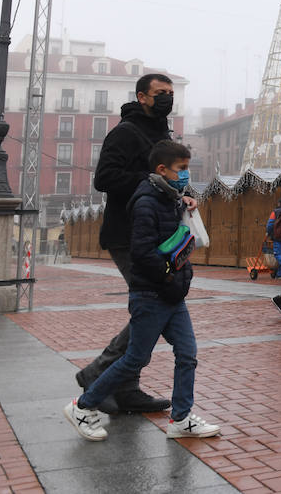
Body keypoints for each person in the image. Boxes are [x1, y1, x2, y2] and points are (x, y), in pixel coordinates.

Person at [64, 140, 221, 442]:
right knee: (135, 360)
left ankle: (181, 418)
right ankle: (83, 407)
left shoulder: (168, 197)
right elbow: (142, 252)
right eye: (183, 169)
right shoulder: (147, 201)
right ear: (162, 169)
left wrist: (185, 202)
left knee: (187, 353)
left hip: (172, 293)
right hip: (152, 294)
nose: (187, 175)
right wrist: (167, 276)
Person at [75, 73, 194, 415]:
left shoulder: (162, 132)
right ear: (142, 96)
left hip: (162, 233)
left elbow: (170, 178)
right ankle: (101, 374)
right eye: (160, 93)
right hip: (128, 234)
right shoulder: (125, 133)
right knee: (153, 305)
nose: (167, 98)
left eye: (171, 93)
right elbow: (105, 178)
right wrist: (152, 179)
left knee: (152, 307)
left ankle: (123, 386)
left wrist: (185, 195)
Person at [265, 202, 281, 279]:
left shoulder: (275, 212)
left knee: (277, 254)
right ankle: (279, 275)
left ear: (278, 203)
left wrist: (268, 232)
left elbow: (270, 224)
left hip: (277, 235)